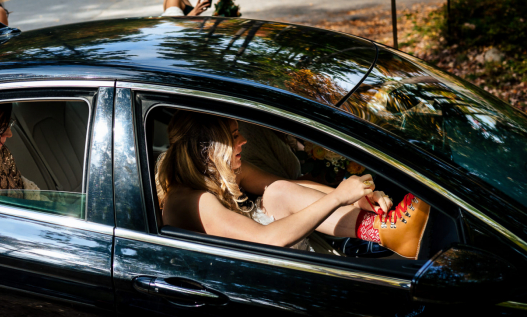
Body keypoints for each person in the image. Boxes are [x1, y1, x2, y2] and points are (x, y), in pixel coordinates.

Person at [156, 111, 431, 259]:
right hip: (249, 289)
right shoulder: (192, 201)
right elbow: (265, 240)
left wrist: (354, 197)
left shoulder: (221, 171)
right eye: (235, 135)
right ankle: (389, 232)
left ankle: (386, 229)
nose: (244, 142)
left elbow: (288, 187)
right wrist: (337, 199)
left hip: (270, 257)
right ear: (209, 148)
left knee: (276, 191)